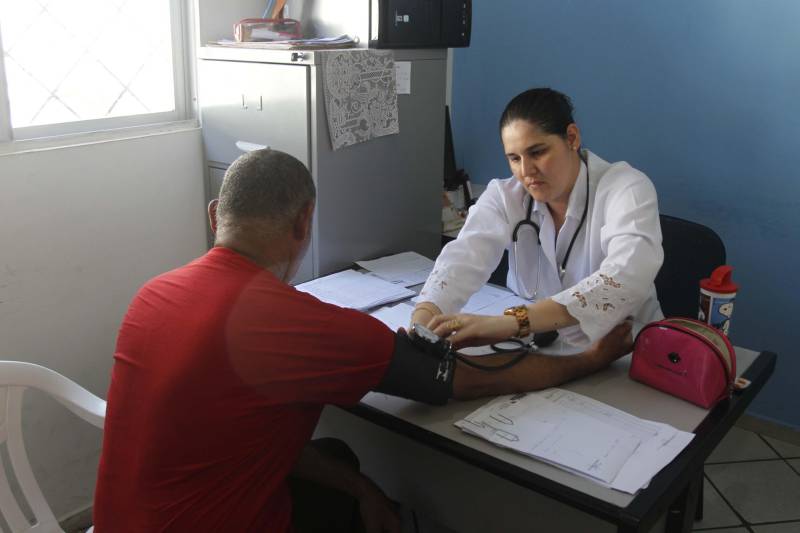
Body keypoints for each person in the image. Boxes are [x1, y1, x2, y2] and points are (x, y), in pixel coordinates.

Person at [93, 148, 634, 533]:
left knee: (338, 459)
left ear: (216, 216)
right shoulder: (298, 326)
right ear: (304, 222)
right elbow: (466, 381)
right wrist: (588, 358)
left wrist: (364, 489)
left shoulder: (152, 296)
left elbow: (242, 440)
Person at [412, 88, 663, 351]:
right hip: (544, 349)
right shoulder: (505, 196)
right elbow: (462, 260)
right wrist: (424, 317)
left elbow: (625, 277)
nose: (526, 171)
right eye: (514, 158)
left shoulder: (627, 188)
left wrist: (513, 322)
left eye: (537, 152)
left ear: (572, 138)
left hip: (630, 354)